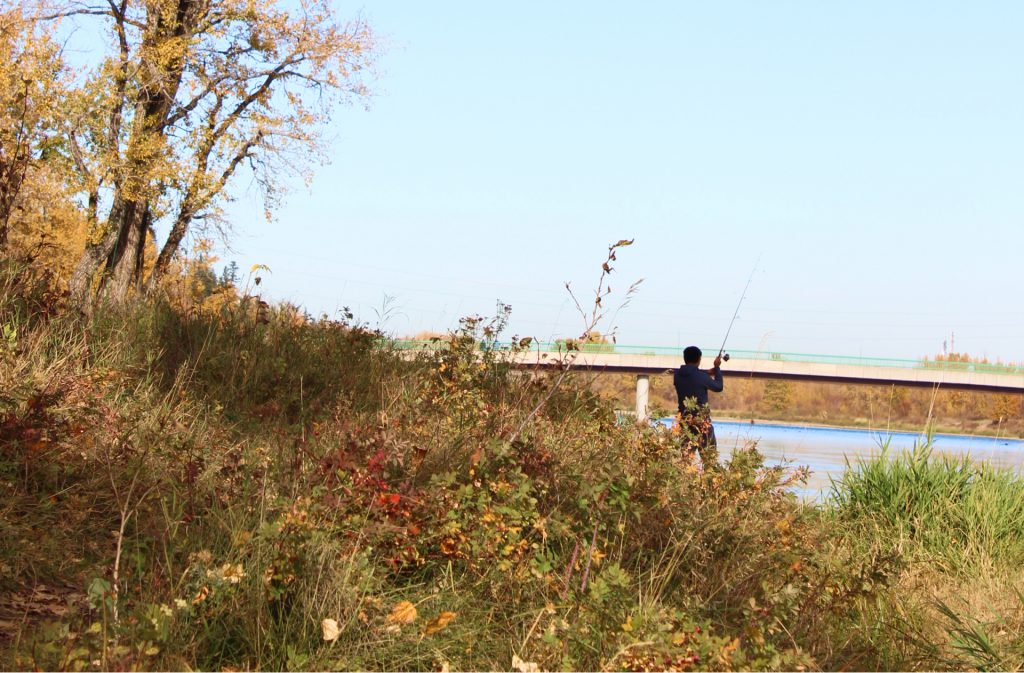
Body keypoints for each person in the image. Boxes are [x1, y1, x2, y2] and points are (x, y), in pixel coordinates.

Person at [673, 345, 724, 466]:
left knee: (685, 461)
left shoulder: (677, 375)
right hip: (702, 424)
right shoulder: (701, 376)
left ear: (685, 358)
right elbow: (718, 386)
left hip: (685, 423)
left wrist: (706, 372)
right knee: (709, 459)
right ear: (699, 360)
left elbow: (692, 374)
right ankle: (709, 483)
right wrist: (717, 368)